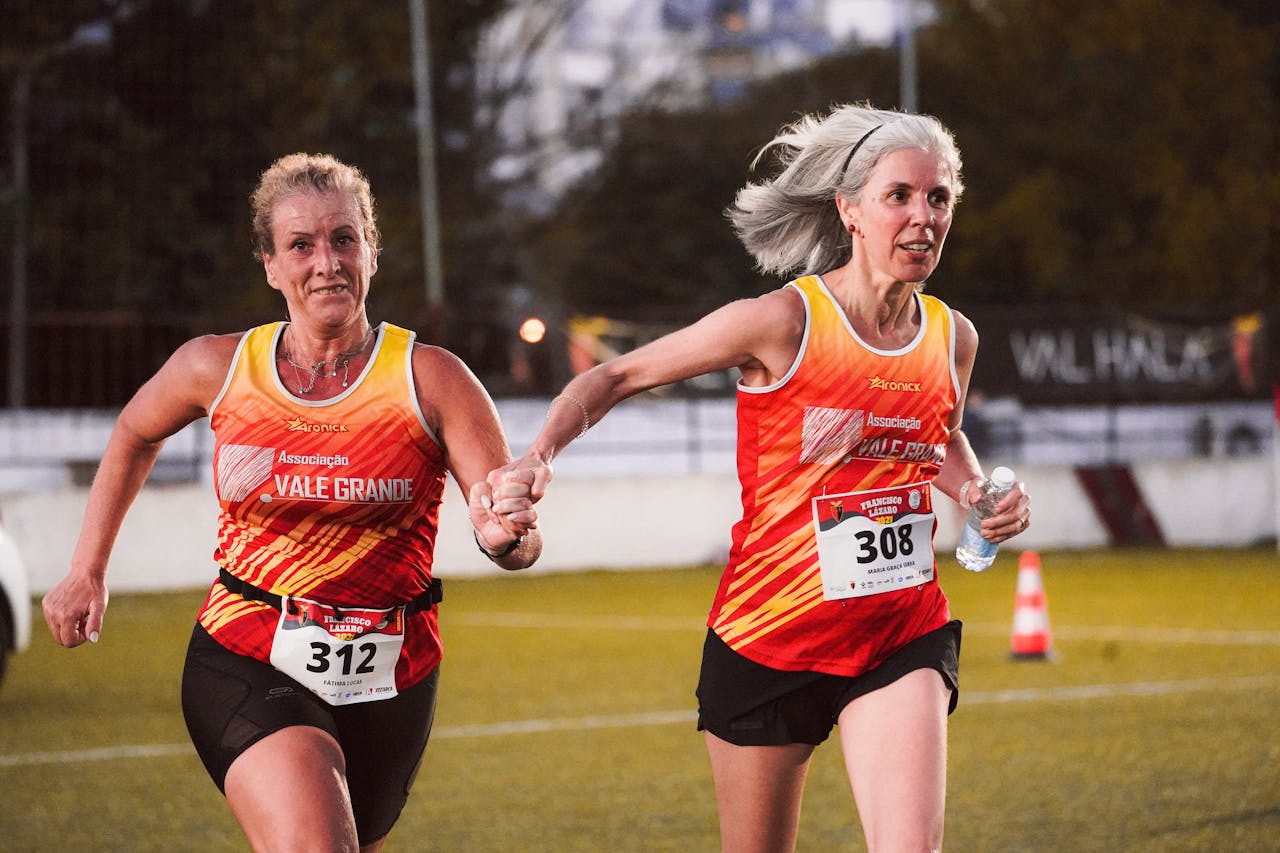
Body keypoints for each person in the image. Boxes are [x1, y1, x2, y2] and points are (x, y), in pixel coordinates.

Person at [489, 104, 1030, 852]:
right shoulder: (783, 322)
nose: (923, 216)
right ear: (850, 210)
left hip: (899, 631)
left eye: (938, 199)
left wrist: (975, 492)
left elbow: (932, 435)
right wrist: (537, 455)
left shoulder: (952, 336)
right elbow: (616, 374)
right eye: (899, 195)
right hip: (768, 637)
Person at [42, 152, 540, 852]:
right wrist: (86, 567)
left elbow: (509, 526)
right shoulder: (216, 367)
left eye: (343, 238)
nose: (327, 262)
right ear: (271, 265)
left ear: (372, 249)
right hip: (247, 652)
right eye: (301, 245)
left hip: (394, 676)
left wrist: (505, 535)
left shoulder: (432, 379)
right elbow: (132, 433)